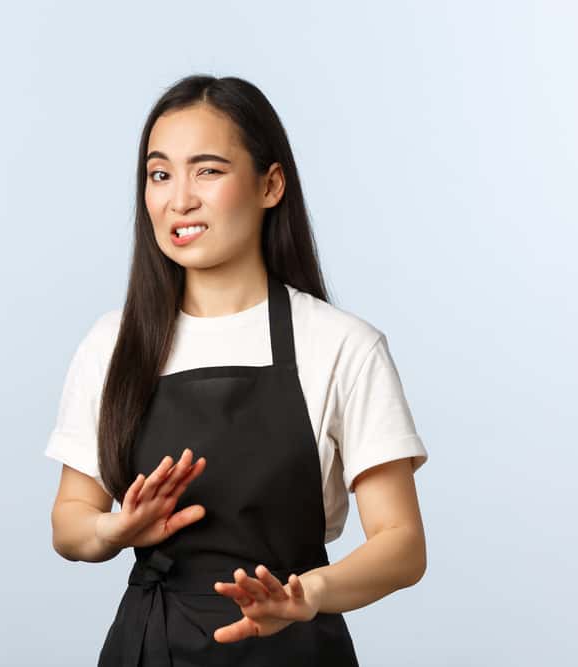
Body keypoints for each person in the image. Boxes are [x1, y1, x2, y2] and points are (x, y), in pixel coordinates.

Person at [45, 74, 429, 666]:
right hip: (149, 647)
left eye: (208, 171)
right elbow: (70, 521)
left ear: (270, 185)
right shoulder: (113, 344)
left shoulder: (341, 345)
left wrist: (307, 595)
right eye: (160, 174)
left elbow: (402, 545)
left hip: (295, 650)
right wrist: (112, 531)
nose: (179, 200)